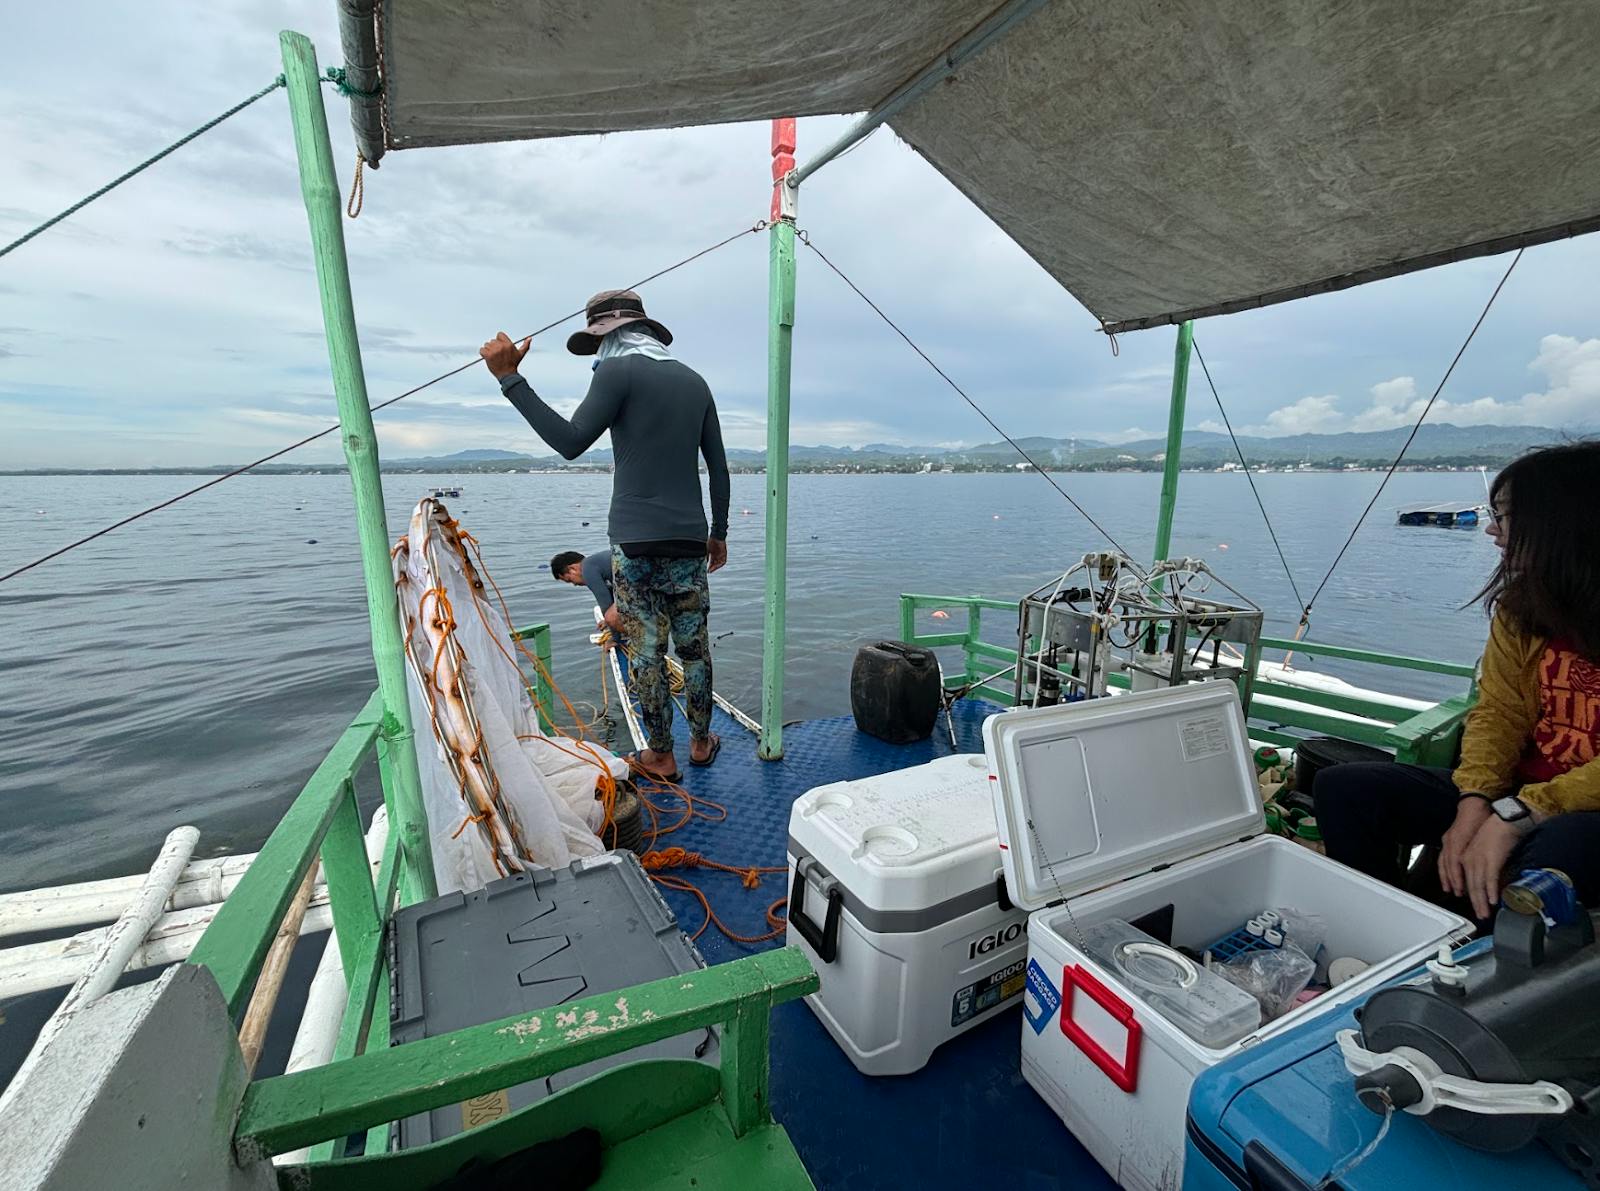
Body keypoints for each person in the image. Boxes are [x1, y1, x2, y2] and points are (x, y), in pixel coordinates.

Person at [1315, 441, 1600, 923]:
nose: (1492, 529)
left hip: (1575, 811)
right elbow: (1499, 713)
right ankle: (1378, 927)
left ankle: (1486, 970)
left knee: (1557, 849)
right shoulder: (1524, 611)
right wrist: (1474, 801)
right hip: (1521, 792)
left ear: (1560, 523)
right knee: (1347, 787)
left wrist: (1518, 815)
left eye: (1506, 517)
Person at [480, 290, 729, 780]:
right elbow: (718, 468)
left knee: (646, 654)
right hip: (689, 540)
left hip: (635, 542)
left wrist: (510, 379)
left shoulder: (617, 372)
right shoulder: (695, 381)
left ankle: (661, 755)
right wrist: (717, 533)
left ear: (606, 334)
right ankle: (701, 742)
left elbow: (571, 442)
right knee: (694, 649)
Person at [550, 549, 621, 634]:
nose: (575, 584)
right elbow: (612, 599)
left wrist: (614, 638)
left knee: (611, 617)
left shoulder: (587, 569)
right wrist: (607, 621)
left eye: (570, 580)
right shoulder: (596, 563)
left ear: (572, 568)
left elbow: (606, 606)